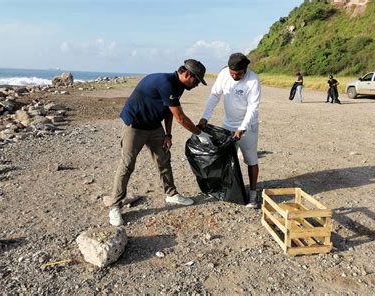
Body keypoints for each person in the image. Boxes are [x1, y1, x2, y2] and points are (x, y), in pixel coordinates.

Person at [104, 59, 213, 226]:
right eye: (196, 80)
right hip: (136, 126)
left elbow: (169, 111)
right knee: (127, 164)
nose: (197, 84)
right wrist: (199, 133)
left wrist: (168, 134)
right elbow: (180, 118)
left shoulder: (179, 86)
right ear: (186, 74)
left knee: (163, 159)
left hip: (155, 127)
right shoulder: (165, 83)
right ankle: (115, 207)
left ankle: (171, 194)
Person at [198, 53, 261, 208]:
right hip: (227, 126)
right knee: (225, 159)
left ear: (245, 69)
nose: (234, 76)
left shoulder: (253, 80)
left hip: (248, 127)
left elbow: (253, 107)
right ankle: (229, 189)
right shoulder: (224, 74)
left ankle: (253, 194)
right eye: (232, 73)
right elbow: (214, 96)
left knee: (251, 160)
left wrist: (242, 128)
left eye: (238, 74)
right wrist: (205, 117)